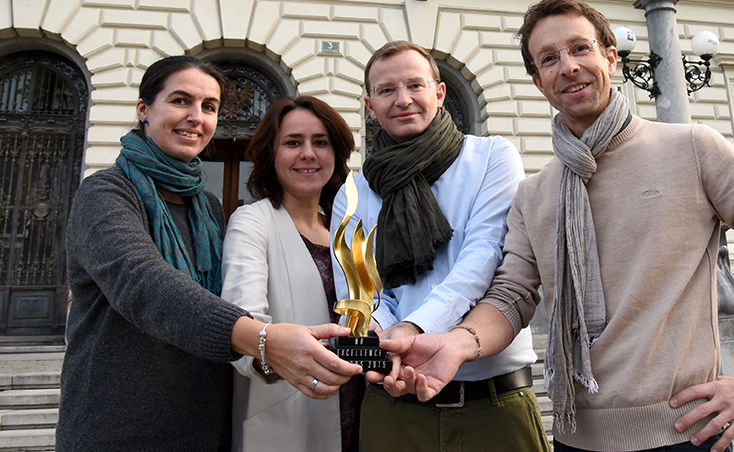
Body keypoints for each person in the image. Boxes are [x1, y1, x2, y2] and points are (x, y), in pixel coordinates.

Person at [380, 0, 734, 452]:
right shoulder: (535, 192)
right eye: (549, 58)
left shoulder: (693, 149)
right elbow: (512, 296)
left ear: (611, 58)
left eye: (580, 49)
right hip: (576, 438)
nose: (569, 66)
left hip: (685, 434)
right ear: (539, 82)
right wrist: (457, 344)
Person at [57, 56, 360, 451]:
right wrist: (263, 339)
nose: (196, 117)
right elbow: (142, 282)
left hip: (205, 426)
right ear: (144, 110)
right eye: (181, 101)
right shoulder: (106, 193)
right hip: (120, 428)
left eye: (209, 107)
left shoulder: (209, 206)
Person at [330, 41, 550, 452]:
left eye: (415, 84)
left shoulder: (491, 157)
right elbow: (360, 294)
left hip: (494, 402)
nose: (403, 99)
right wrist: (383, 348)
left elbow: (485, 256)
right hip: (395, 404)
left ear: (440, 92)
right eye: (386, 90)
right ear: (369, 105)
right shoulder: (353, 193)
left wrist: (413, 328)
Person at [222, 96, 365, 452]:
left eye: (321, 142)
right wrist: (270, 355)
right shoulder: (252, 222)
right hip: (288, 415)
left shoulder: (347, 230)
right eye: (292, 142)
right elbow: (241, 321)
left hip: (362, 411)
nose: (308, 153)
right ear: (272, 154)